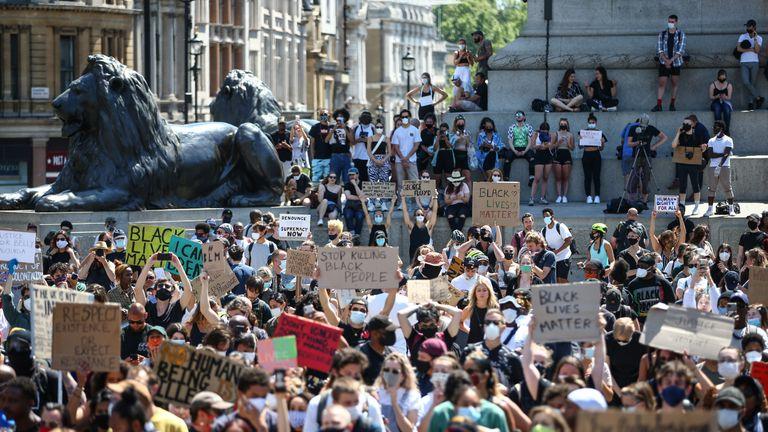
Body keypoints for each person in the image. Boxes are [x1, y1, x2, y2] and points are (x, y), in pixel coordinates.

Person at [627, 114, 668, 202]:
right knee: (634, 176)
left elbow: (664, 137)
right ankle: (632, 199)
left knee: (646, 177)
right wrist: (637, 143)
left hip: (647, 155)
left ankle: (644, 201)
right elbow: (629, 143)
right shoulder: (633, 128)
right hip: (636, 155)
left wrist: (654, 146)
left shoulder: (651, 128)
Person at [375, 352, 421, 432]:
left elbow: (408, 429)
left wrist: (394, 403)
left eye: (395, 371)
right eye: (387, 370)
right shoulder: (376, 392)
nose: (390, 374)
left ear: (403, 375)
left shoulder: (412, 396)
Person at [626, 254, 675, 322]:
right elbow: (630, 306)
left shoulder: (663, 283)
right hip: (641, 324)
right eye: (638, 266)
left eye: (643, 267)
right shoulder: (633, 285)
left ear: (652, 267)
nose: (640, 269)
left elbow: (671, 303)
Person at [671, 117, 705, 213]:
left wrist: (704, 147)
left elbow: (702, 148)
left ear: (692, 124)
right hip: (682, 163)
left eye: (687, 123)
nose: (685, 125)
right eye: (684, 123)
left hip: (693, 164)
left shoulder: (697, 135)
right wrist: (678, 133)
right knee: (683, 185)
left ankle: (696, 206)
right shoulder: (681, 135)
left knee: (695, 184)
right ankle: (682, 205)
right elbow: (673, 145)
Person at [653, 14, 686, 112]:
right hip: (664, 62)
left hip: (676, 63)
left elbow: (681, 50)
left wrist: (671, 61)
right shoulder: (662, 34)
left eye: (672, 22)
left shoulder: (681, 34)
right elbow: (659, 49)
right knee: (662, 83)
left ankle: (672, 104)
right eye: (669, 21)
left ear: (676, 22)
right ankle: (659, 105)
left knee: (674, 83)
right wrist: (666, 60)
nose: (670, 23)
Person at [703, 121, 736, 217]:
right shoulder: (711, 140)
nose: (713, 128)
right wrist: (723, 154)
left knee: (727, 187)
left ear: (721, 128)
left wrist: (720, 165)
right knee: (711, 188)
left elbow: (727, 154)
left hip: (724, 166)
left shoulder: (728, 140)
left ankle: (731, 208)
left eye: (716, 127)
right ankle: (710, 209)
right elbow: (711, 155)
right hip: (713, 166)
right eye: (713, 127)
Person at [391, 109, 421, 207]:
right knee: (401, 183)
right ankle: (401, 203)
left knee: (414, 182)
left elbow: (416, 145)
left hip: (411, 160)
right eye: (403, 117)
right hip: (399, 161)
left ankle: (415, 203)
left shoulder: (415, 130)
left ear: (409, 117)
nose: (405, 118)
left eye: (406, 116)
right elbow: (395, 146)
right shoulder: (397, 131)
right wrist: (403, 159)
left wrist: (407, 158)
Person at [402, 190, 439, 261]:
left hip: (426, 254)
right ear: (415, 216)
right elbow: (405, 211)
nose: (420, 216)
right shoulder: (412, 226)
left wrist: (435, 197)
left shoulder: (428, 226)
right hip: (414, 254)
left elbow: (434, 211)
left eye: (422, 214)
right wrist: (403, 198)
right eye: (418, 214)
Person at [579, 114, 607, 204]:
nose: (591, 124)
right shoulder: (583, 132)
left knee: (596, 176)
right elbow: (580, 147)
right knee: (587, 176)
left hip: (596, 154)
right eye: (590, 122)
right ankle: (588, 196)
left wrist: (602, 143)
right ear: (588, 123)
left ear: (596, 123)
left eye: (593, 122)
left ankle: (597, 195)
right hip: (586, 154)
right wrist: (580, 140)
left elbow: (601, 148)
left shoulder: (599, 133)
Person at [503, 110, 535, 186]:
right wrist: (514, 150)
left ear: (524, 117)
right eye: (517, 115)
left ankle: (531, 177)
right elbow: (510, 141)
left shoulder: (528, 127)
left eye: (520, 115)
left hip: (525, 147)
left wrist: (525, 151)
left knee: (532, 158)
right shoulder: (512, 127)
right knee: (507, 158)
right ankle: (506, 177)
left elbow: (530, 141)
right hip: (515, 147)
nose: (518, 116)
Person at [541, 208, 573, 283]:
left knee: (561, 280)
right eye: (544, 217)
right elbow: (544, 244)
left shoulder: (560, 226)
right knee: (553, 281)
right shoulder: (543, 230)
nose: (546, 218)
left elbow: (569, 241)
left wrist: (557, 251)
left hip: (564, 257)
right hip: (552, 259)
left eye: (547, 216)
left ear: (552, 216)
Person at [738, 19, 764, 110]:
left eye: (749, 26)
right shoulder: (742, 36)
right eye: (747, 26)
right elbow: (738, 49)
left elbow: (757, 51)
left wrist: (755, 38)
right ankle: (759, 98)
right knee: (746, 82)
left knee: (752, 83)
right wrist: (750, 49)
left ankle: (751, 103)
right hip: (744, 62)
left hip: (754, 62)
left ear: (754, 27)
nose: (747, 27)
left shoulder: (759, 38)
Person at [529, 122, 554, 205]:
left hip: (548, 156)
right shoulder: (535, 134)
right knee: (537, 178)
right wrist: (539, 146)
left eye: (546, 130)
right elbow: (532, 146)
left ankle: (542, 198)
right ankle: (532, 198)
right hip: (539, 156)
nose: (544, 132)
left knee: (546, 178)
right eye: (542, 130)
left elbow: (551, 146)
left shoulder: (550, 135)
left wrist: (547, 145)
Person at [328, 109, 354, 184]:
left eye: (342, 116)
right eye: (338, 116)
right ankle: (336, 195)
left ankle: (347, 194)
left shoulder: (349, 129)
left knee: (347, 179)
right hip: (335, 155)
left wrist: (344, 128)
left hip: (346, 155)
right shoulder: (332, 127)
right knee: (334, 178)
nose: (339, 118)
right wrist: (334, 129)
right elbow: (326, 140)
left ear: (345, 118)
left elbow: (352, 141)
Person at [552, 118, 574, 203]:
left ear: (567, 125)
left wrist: (568, 143)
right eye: (562, 123)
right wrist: (558, 143)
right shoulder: (555, 134)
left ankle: (564, 196)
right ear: (559, 124)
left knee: (565, 177)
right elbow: (551, 146)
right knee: (558, 178)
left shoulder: (570, 134)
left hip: (566, 154)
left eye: (565, 124)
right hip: (558, 154)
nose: (563, 125)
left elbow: (572, 148)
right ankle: (559, 196)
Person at [309, 110, 333, 183]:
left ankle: (326, 193)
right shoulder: (315, 127)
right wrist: (313, 157)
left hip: (329, 157)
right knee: (316, 178)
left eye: (325, 114)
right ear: (319, 116)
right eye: (322, 115)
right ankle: (315, 194)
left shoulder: (332, 127)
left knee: (328, 179)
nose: (323, 116)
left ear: (328, 116)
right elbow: (312, 143)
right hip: (317, 157)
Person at [343, 168, 366, 236]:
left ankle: (357, 234)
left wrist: (355, 184)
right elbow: (348, 196)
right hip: (349, 206)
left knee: (359, 216)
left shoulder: (363, 183)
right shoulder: (347, 184)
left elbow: (361, 194)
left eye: (353, 174)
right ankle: (352, 233)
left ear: (357, 174)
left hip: (360, 206)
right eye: (349, 175)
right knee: (348, 215)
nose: (351, 176)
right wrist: (360, 198)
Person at [352, 110, 374, 181]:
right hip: (357, 156)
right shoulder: (356, 127)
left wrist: (367, 140)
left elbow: (376, 142)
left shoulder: (372, 128)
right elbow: (352, 142)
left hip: (368, 157)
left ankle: (365, 192)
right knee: (357, 177)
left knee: (367, 178)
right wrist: (358, 140)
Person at [710, 69, 734, 134]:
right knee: (717, 109)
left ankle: (726, 130)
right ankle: (718, 130)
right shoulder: (713, 85)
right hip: (715, 102)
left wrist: (724, 97)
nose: (722, 80)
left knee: (727, 109)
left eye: (724, 78)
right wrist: (717, 96)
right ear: (718, 77)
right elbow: (711, 97)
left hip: (725, 101)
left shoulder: (729, 85)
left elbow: (729, 97)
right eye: (721, 78)